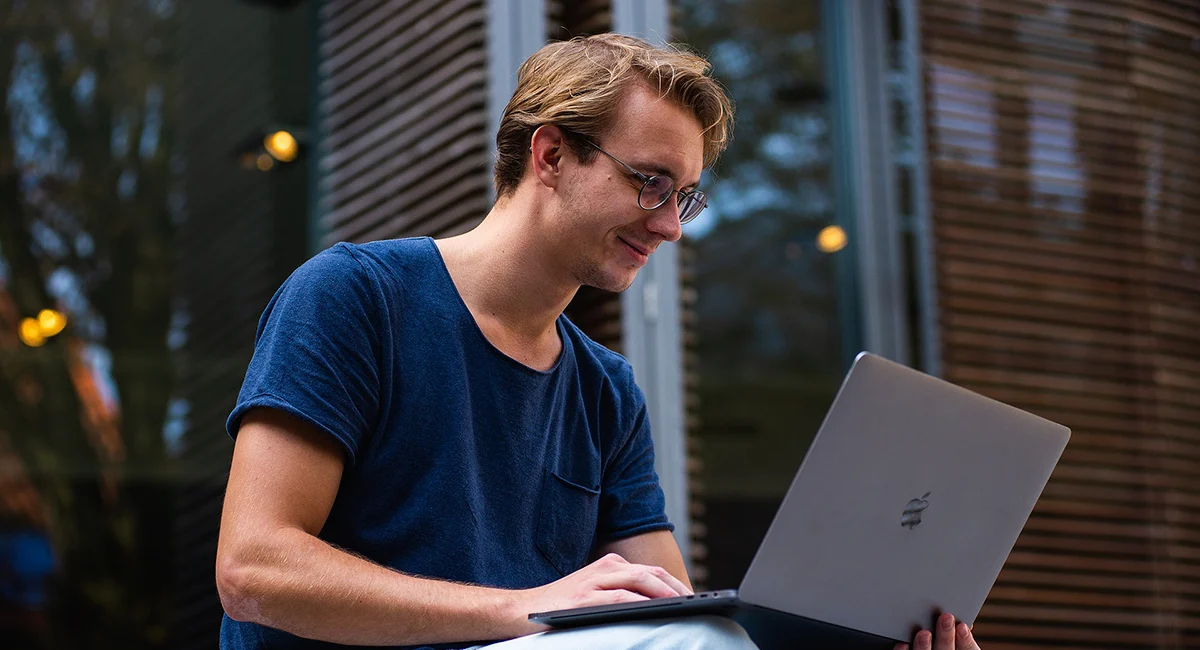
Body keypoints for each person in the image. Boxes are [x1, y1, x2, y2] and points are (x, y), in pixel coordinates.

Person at [214, 33, 982, 650]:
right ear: (550, 156)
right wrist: (528, 609)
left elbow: (671, 610)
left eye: (684, 197)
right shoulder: (355, 296)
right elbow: (253, 570)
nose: (671, 225)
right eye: (650, 182)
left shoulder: (605, 390)